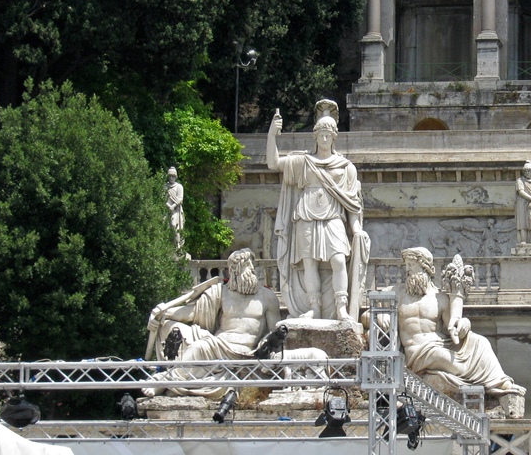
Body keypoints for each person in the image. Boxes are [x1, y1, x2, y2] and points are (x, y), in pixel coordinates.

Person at [268, 100, 370, 321]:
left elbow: (351, 203)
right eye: (320, 134)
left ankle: (341, 307)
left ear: (334, 137)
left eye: (328, 135)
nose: (324, 139)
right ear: (315, 137)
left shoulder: (346, 167)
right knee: (309, 263)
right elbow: (273, 164)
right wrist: (272, 135)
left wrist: (356, 229)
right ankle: (314, 307)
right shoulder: (303, 162)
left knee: (339, 260)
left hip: (333, 216)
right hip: (305, 215)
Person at [390, 248, 526, 410]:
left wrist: (464, 324)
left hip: (441, 344)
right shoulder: (397, 293)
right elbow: (371, 310)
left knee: (480, 341)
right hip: (418, 352)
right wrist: (381, 316)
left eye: (412, 264)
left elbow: (452, 328)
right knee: (441, 355)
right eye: (407, 265)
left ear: (425, 267)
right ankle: (483, 381)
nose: (408, 269)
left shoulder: (440, 298)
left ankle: (500, 382)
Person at [144, 249, 281, 397]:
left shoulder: (267, 297)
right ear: (233, 271)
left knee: (200, 347)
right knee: (181, 333)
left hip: (247, 353)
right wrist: (164, 313)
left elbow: (276, 331)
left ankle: (165, 380)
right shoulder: (221, 293)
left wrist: (265, 345)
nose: (252, 269)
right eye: (247, 265)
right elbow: (192, 313)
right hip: (218, 345)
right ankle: (169, 380)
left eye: (252, 265)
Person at [165, 166, 185, 250]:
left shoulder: (179, 186)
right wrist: (169, 206)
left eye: (173, 176)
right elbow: (163, 199)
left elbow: (180, 198)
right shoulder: (165, 187)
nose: (171, 178)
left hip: (176, 210)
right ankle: (167, 246)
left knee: (174, 225)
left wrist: (173, 206)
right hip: (167, 209)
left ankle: (177, 246)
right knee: (165, 226)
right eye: (170, 176)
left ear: (176, 177)